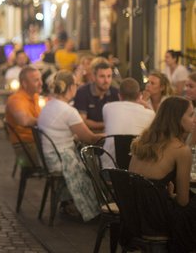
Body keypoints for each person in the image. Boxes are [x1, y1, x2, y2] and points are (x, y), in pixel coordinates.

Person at [129, 96, 196, 252]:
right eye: (191, 115)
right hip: (157, 220)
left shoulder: (143, 141)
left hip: (133, 214)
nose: (194, 119)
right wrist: (171, 196)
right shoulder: (180, 150)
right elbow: (183, 201)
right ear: (177, 118)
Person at [37, 70, 104, 221]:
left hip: (48, 157)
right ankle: (94, 210)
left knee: (84, 156)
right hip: (59, 160)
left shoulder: (49, 106)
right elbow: (90, 138)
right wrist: (109, 134)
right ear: (70, 87)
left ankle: (70, 204)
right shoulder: (68, 111)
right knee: (93, 165)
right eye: (76, 84)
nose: (78, 86)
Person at [101, 78, 155, 168]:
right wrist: (144, 102)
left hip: (110, 169)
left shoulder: (107, 108)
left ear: (119, 96)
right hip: (139, 170)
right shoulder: (150, 114)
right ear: (139, 95)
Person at [73, 60, 119, 132]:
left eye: (109, 76)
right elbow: (82, 121)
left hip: (111, 133)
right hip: (88, 135)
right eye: (102, 76)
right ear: (93, 77)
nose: (106, 80)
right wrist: (106, 124)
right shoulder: (82, 92)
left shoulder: (115, 93)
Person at [5, 66, 42, 149]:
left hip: (38, 141)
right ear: (24, 83)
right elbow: (24, 121)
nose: (41, 83)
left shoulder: (35, 96)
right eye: (36, 80)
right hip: (27, 146)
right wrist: (47, 121)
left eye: (40, 79)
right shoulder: (16, 99)